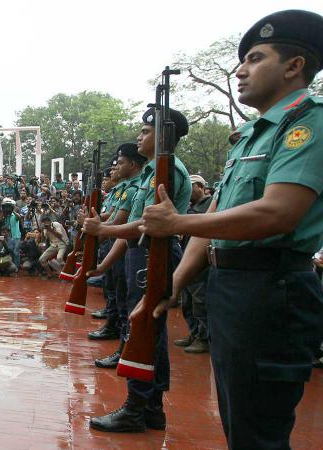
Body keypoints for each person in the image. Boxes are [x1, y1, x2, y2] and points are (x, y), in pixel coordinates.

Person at [140, 10, 323, 448]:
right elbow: (214, 222)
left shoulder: (307, 122)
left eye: (255, 58)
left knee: (258, 432)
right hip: (233, 287)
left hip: (270, 287)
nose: (240, 70)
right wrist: (175, 280)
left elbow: (278, 213)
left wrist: (176, 222)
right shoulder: (251, 136)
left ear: (294, 66)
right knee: (239, 422)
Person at [83, 106, 191, 433]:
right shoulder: (148, 175)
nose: (139, 137)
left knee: (145, 329)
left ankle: (137, 407)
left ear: (163, 135)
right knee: (144, 328)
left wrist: (103, 231)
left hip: (152, 253)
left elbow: (143, 225)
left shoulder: (167, 171)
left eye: (146, 132)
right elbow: (133, 225)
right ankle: (151, 407)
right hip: (140, 253)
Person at [91, 143, 147, 368]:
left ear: (133, 164)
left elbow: (119, 220)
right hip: (122, 242)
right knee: (118, 293)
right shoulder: (126, 188)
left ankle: (126, 347)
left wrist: (99, 231)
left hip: (133, 246)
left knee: (128, 301)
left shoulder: (135, 187)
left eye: (120, 163)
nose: (115, 168)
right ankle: (121, 340)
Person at [174, 174, 213, 354]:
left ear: (199, 186)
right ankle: (194, 332)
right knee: (187, 300)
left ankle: (203, 337)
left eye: (191, 187)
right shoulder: (191, 207)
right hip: (187, 255)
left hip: (202, 260)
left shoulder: (209, 204)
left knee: (200, 300)